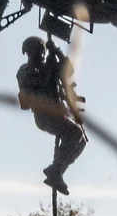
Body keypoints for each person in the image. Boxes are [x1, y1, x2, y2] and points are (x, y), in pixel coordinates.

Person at [16, 36, 87, 195]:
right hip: (44, 115)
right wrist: (50, 64)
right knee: (74, 133)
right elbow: (41, 80)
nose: (39, 55)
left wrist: (57, 52)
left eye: (41, 52)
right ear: (28, 53)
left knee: (80, 139)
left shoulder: (48, 65)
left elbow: (68, 71)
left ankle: (58, 170)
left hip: (56, 113)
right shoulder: (24, 71)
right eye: (36, 52)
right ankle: (55, 169)